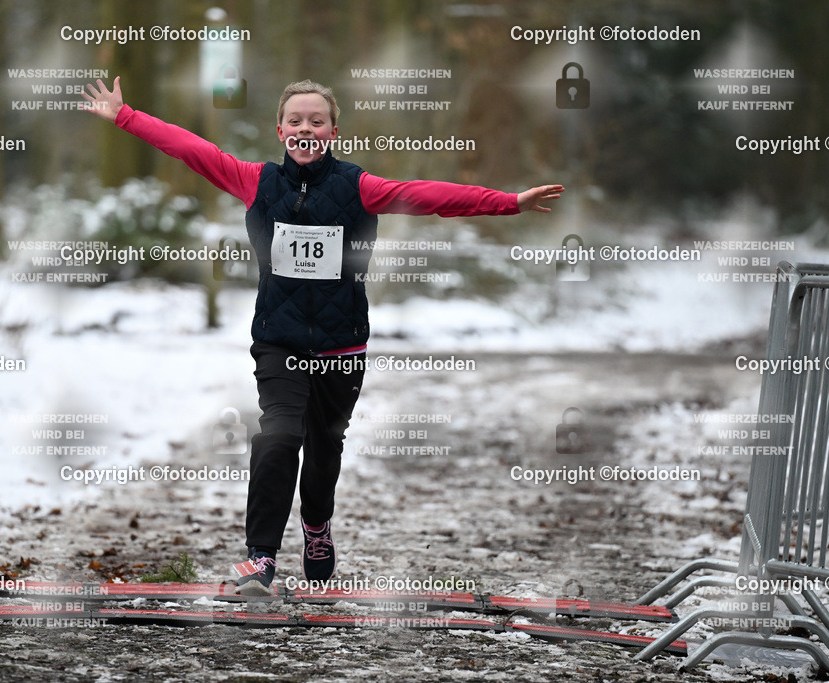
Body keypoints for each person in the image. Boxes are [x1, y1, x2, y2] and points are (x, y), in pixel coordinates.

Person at [82, 77, 563, 596]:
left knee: (325, 446)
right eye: (295, 121)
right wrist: (126, 116)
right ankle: (261, 558)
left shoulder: (359, 188)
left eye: (316, 121)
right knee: (280, 435)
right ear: (280, 130)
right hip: (280, 342)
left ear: (333, 130)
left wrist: (509, 202)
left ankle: (316, 527)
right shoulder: (256, 182)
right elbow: (192, 149)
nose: (305, 129)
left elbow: (428, 197)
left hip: (341, 346)